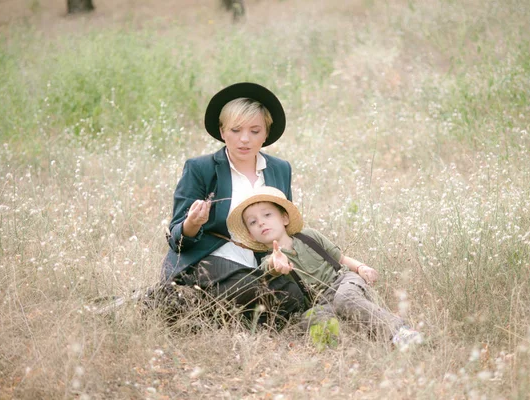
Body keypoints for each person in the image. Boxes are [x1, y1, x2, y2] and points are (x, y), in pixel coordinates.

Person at [161, 82, 305, 327]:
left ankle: (191, 309)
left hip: (261, 263)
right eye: (236, 130)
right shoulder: (201, 168)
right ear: (222, 131)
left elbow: (284, 225)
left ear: (266, 133)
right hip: (207, 260)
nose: (245, 139)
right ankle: (176, 300)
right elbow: (178, 240)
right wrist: (192, 223)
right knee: (251, 287)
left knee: (296, 298)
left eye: (255, 131)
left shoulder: (280, 169)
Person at [227, 186, 423, 348]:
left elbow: (341, 258)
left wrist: (361, 268)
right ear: (252, 235)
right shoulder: (268, 260)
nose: (261, 222)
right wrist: (275, 263)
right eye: (253, 222)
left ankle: (400, 331)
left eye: (267, 215)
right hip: (319, 301)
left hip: (343, 280)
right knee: (311, 320)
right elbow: (270, 268)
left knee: (345, 299)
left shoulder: (309, 235)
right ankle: (352, 344)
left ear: (284, 218)